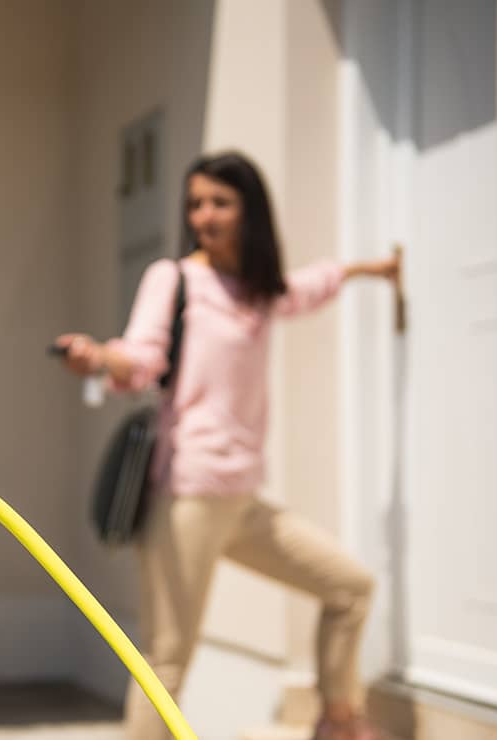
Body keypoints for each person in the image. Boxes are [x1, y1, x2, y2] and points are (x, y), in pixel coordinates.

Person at [54, 152, 398, 740]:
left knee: (350, 589)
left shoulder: (259, 292)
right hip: (187, 496)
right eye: (195, 204)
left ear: (250, 211)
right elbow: (142, 356)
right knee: (167, 659)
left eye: (220, 202)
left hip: (242, 500)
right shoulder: (175, 279)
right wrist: (100, 358)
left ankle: (339, 721)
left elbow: (311, 285)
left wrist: (373, 269)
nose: (204, 216)